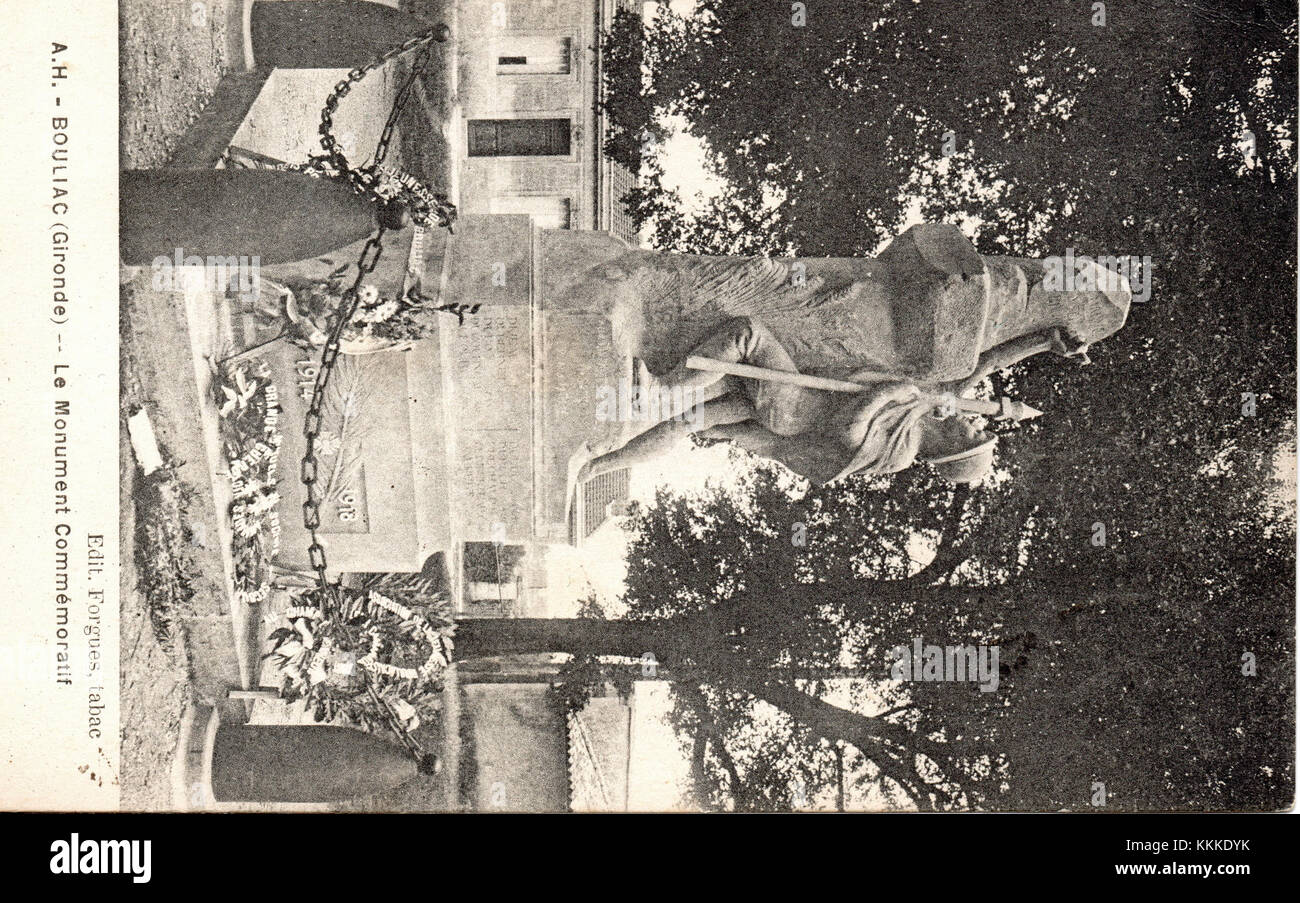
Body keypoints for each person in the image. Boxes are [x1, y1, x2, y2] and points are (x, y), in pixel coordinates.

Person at [566, 317, 1003, 500]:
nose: (975, 421)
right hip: (777, 412)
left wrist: (889, 393)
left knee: (748, 335)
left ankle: (660, 390)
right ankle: (600, 466)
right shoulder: (925, 410)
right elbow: (981, 366)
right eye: (983, 426)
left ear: (951, 450)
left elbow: (848, 433)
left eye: (975, 434)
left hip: (789, 405)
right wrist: (1043, 343)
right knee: (686, 422)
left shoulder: (903, 450)